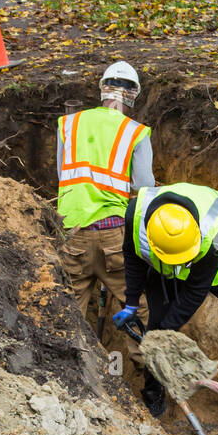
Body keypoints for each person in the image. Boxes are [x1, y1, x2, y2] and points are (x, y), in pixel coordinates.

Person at [115, 182, 218, 435]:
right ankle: (153, 392)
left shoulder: (214, 230)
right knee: (156, 320)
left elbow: (195, 291)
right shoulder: (136, 215)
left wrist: (164, 333)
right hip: (163, 262)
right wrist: (132, 303)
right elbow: (132, 257)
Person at [55, 61, 154, 360]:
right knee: (140, 312)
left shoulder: (68, 124)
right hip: (114, 239)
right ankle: (149, 384)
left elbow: (62, 176)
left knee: (66, 315)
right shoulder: (135, 132)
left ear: (102, 90)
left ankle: (69, 377)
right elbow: (145, 187)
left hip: (71, 235)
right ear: (132, 95)